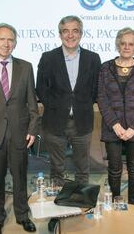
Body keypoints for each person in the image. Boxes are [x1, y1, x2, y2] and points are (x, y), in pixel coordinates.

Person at [0, 23, 39, 234]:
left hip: (20, 133)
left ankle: (22, 215)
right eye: (1, 39)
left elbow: (32, 104)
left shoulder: (26, 67)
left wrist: (32, 129)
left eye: (10, 39)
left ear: (15, 43)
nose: (6, 43)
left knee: (20, 176)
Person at [36, 15, 101, 186]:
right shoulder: (48, 58)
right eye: (65, 31)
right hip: (55, 121)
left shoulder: (93, 59)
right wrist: (58, 107)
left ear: (81, 33)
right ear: (60, 34)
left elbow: (96, 89)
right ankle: (57, 205)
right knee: (57, 169)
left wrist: (82, 105)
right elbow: (41, 89)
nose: (70, 35)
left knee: (82, 168)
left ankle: (81, 202)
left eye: (75, 31)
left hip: (82, 121)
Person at [97, 27, 134, 204]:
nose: (127, 47)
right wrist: (115, 125)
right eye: (123, 43)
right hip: (113, 128)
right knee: (114, 169)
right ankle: (115, 204)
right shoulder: (105, 68)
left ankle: (133, 206)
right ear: (117, 45)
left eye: (131, 44)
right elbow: (102, 99)